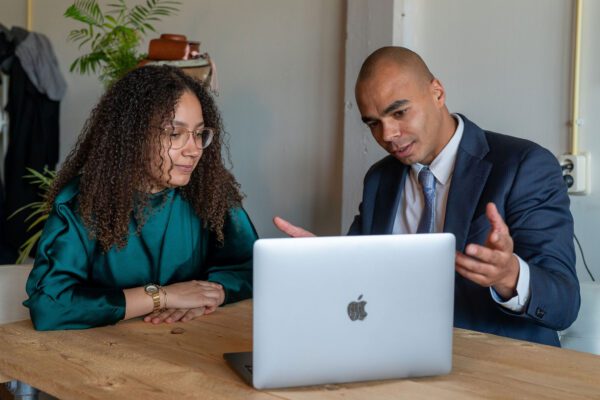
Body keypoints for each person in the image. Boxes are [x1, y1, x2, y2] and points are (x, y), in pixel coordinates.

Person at [274, 46, 580, 346]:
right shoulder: (380, 178)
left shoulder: (524, 166)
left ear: (437, 93)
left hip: (497, 372)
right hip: (396, 359)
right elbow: (362, 278)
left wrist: (509, 275)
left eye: (399, 112)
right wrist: (327, 266)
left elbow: (564, 303)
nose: (387, 135)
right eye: (373, 123)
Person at [25, 65, 257, 330]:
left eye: (199, 134)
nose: (193, 150)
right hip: (99, 351)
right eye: (175, 134)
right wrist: (163, 296)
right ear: (133, 136)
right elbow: (49, 305)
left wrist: (211, 294)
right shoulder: (81, 202)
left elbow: (253, 267)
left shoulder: (211, 191)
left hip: (188, 341)